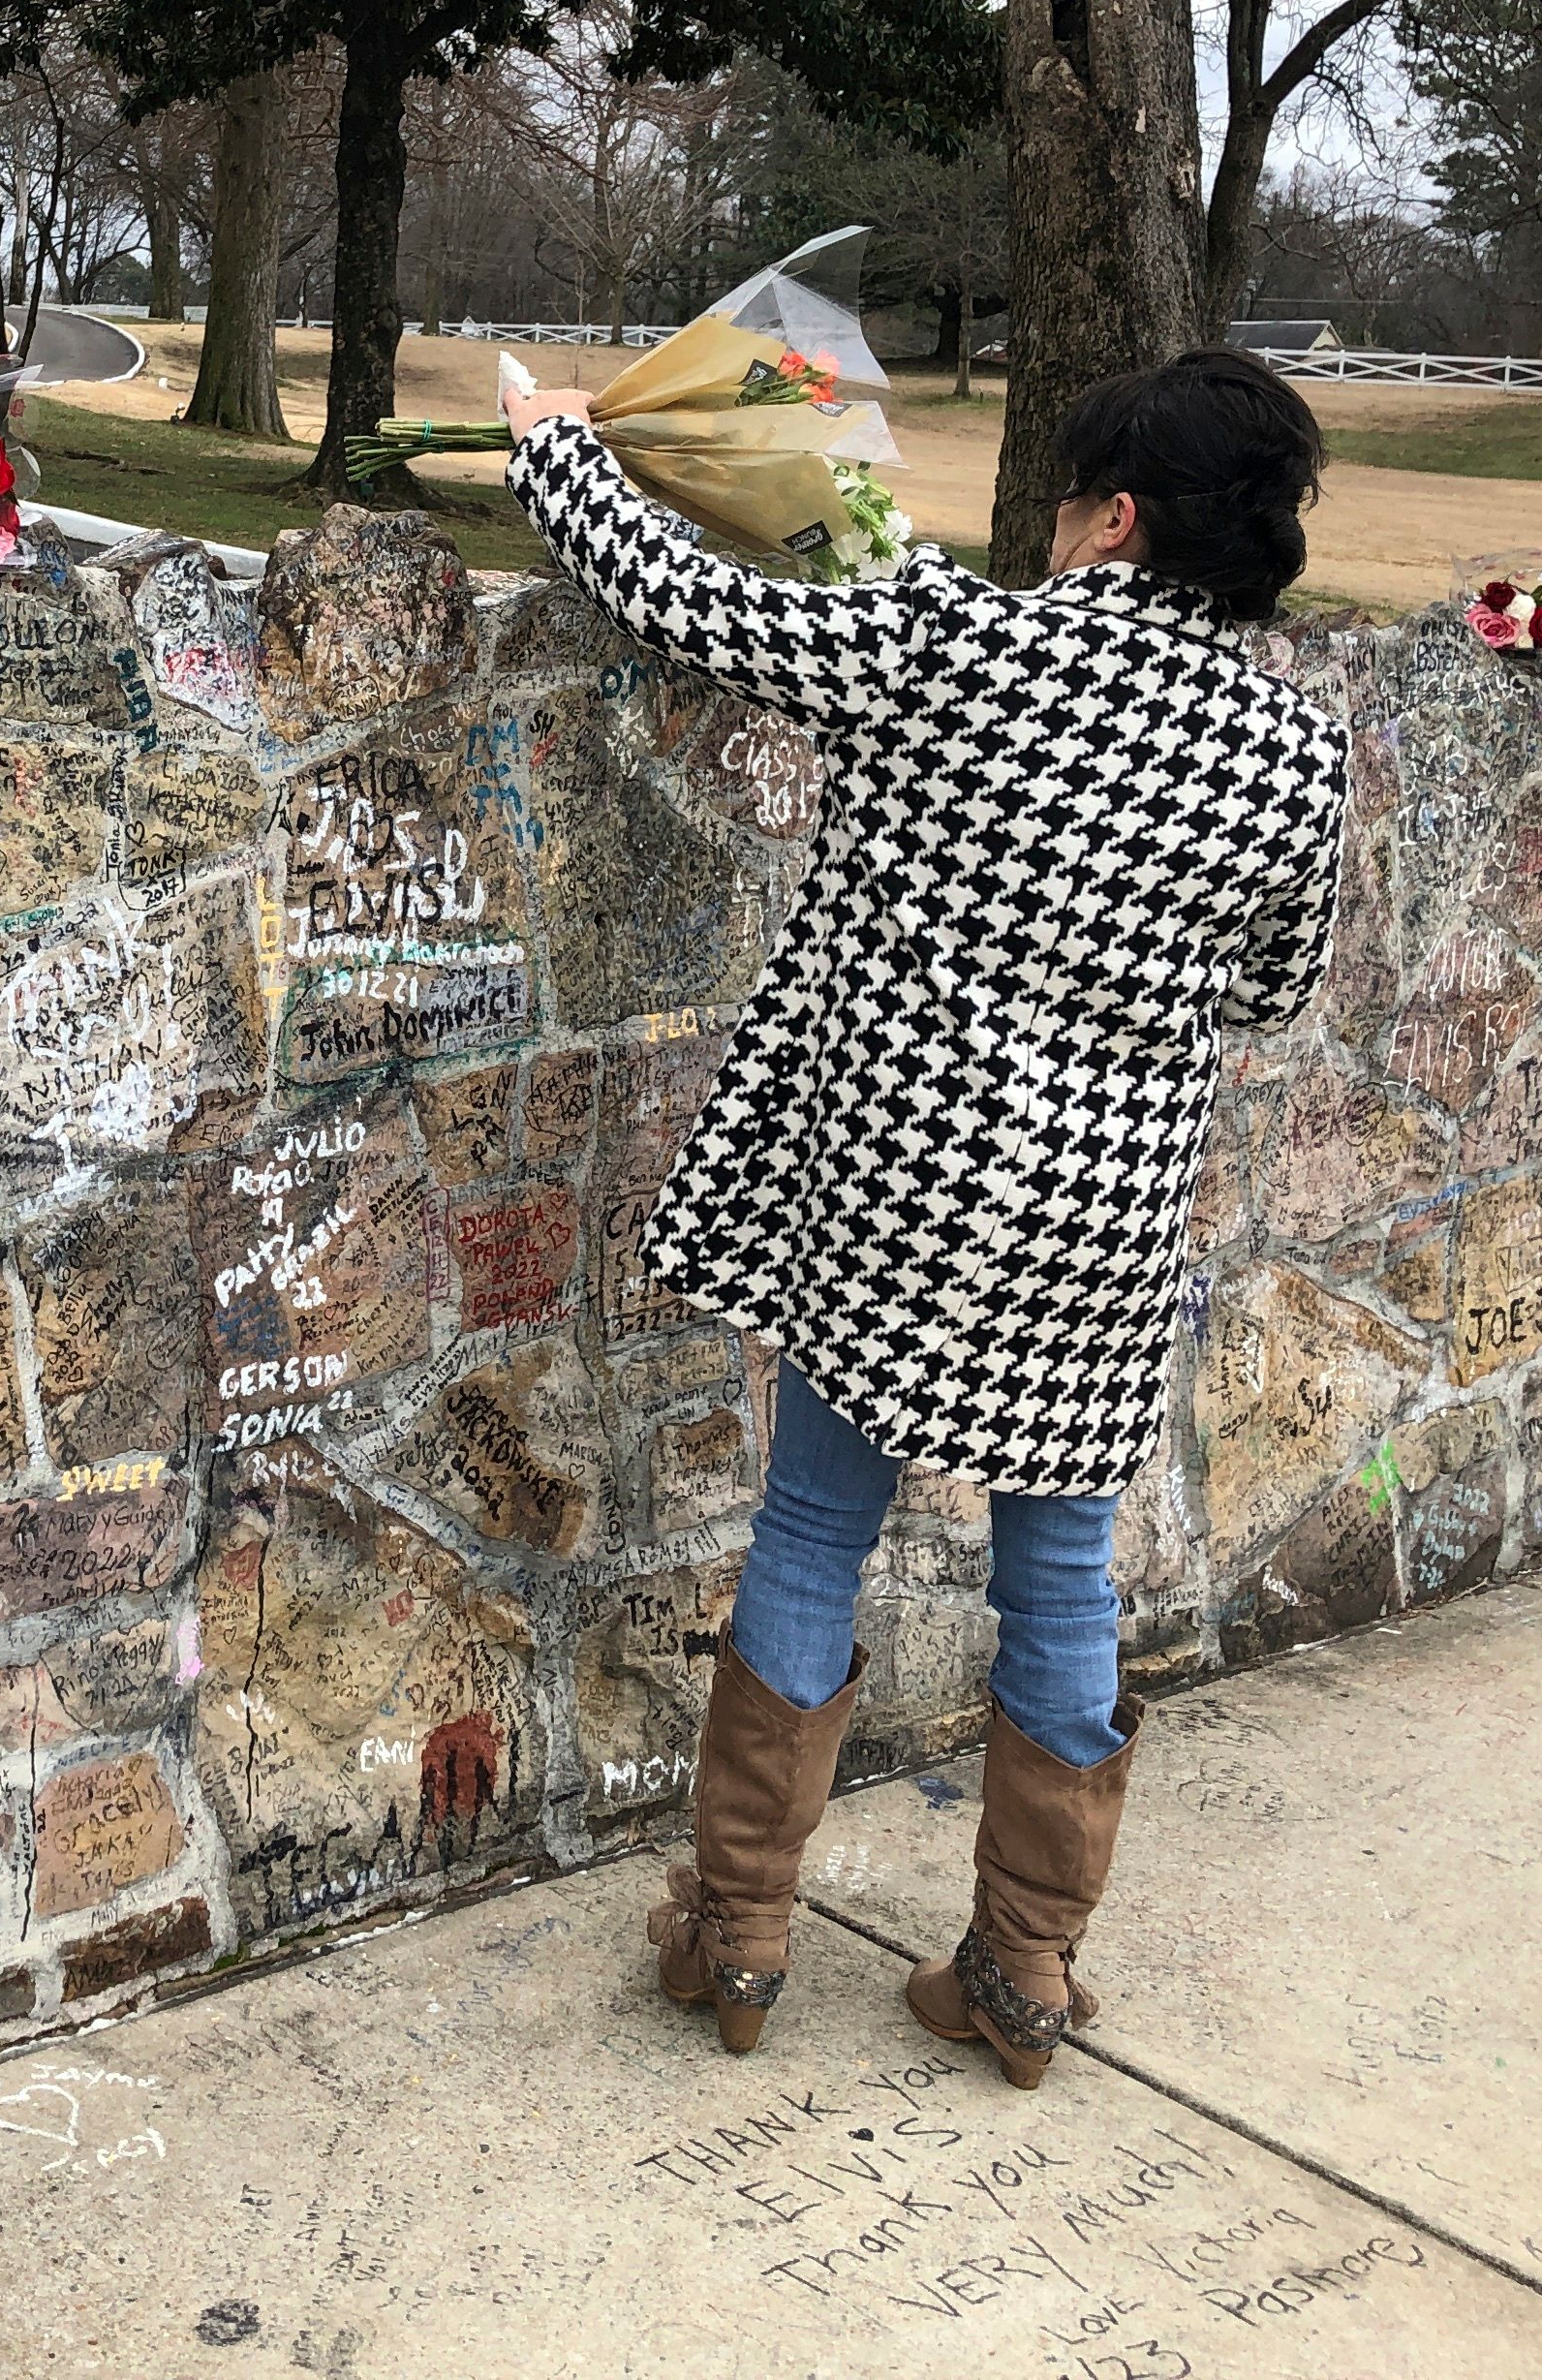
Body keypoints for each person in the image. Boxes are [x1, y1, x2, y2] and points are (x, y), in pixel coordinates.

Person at [501, 350, 1350, 2083]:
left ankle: (736, 1937)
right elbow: (1271, 987)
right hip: (1097, 1220)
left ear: (1112, 515)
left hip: (894, 1186)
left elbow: (689, 603)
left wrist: (555, 457)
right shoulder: (1291, 749)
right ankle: (1025, 1977)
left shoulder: (958, 642)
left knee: (816, 1529)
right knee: (1063, 1576)